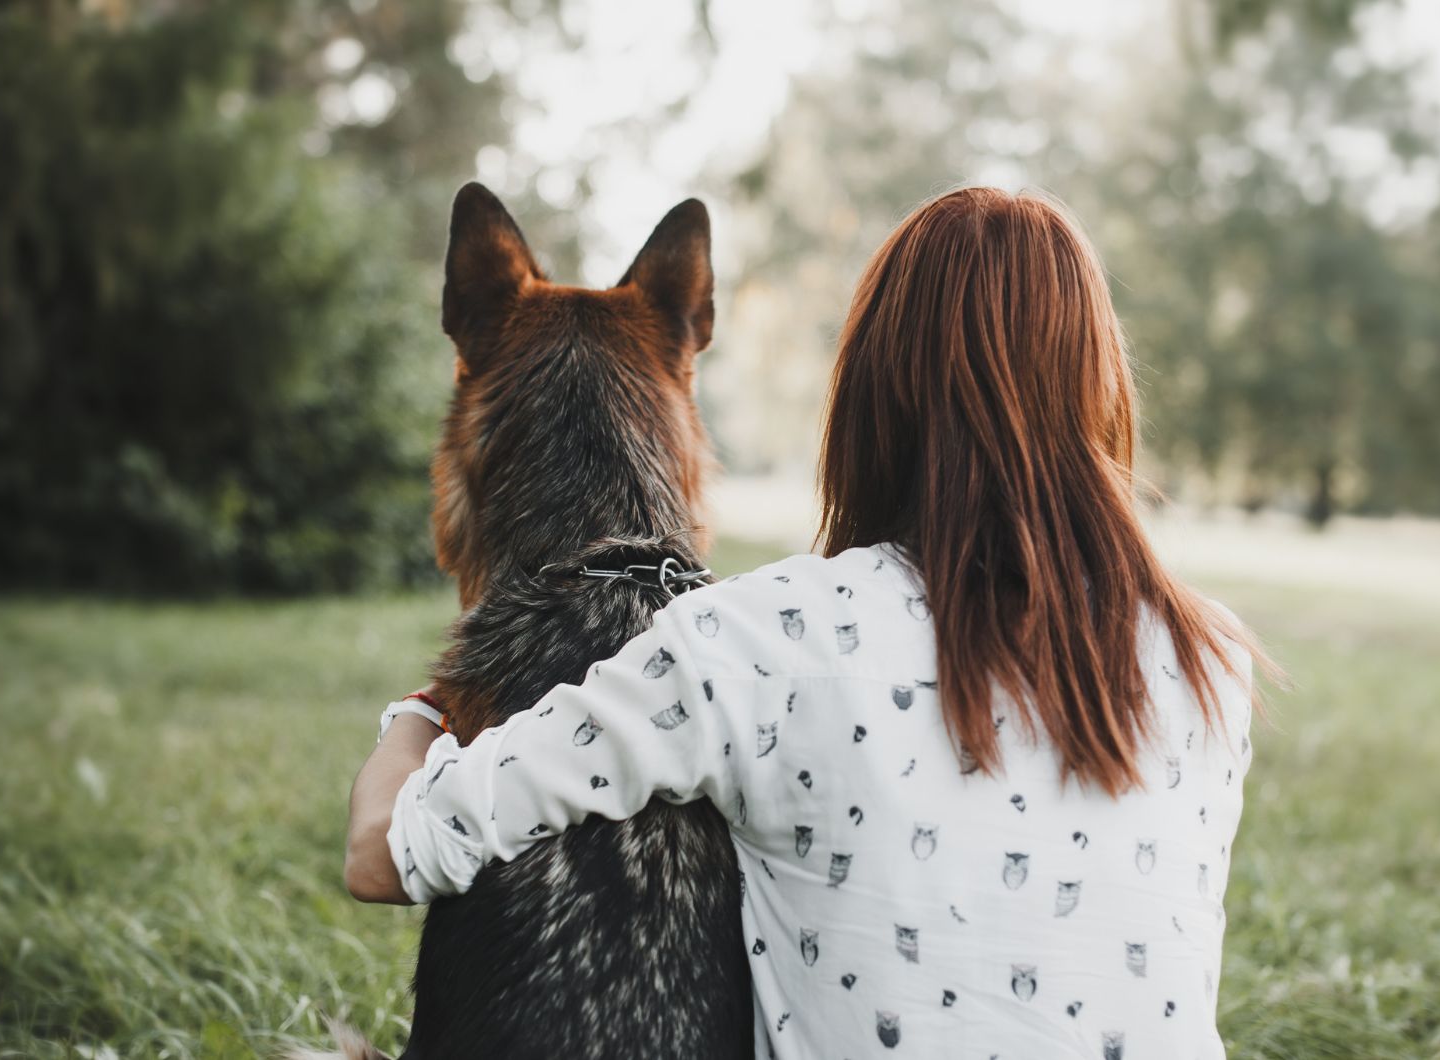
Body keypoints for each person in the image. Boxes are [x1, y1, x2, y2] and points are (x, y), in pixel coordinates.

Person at [344, 187, 1271, 1059]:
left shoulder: (760, 641)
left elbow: (384, 855)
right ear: (1103, 389)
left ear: (868, 391)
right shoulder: (1213, 659)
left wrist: (424, 714)